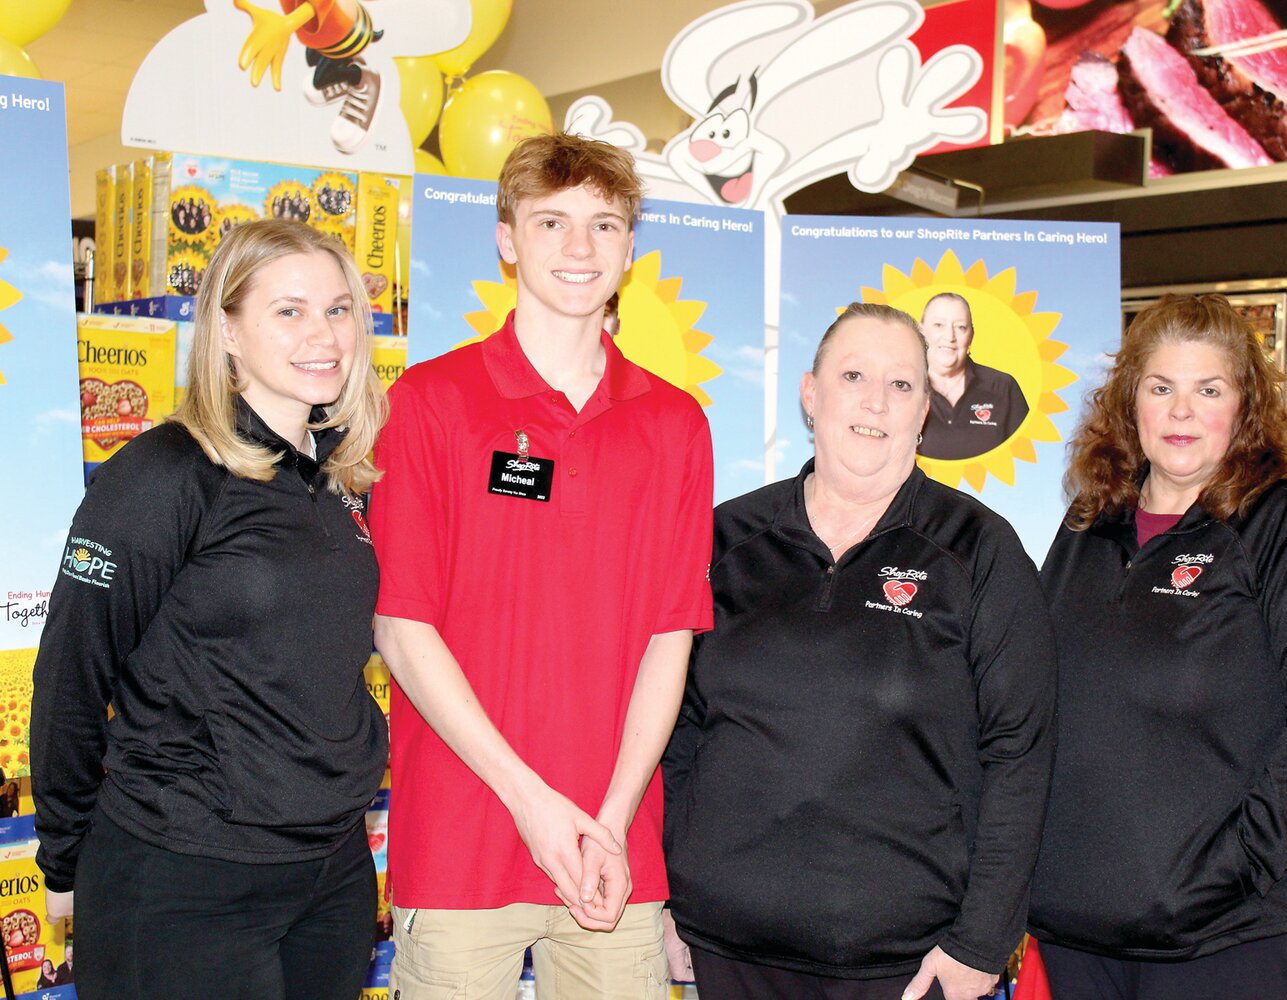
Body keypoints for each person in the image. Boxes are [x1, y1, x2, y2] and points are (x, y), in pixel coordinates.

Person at [370, 132, 713, 999]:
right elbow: (403, 629)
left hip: (613, 855)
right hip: (460, 843)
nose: (579, 248)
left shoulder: (676, 425)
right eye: (551, 221)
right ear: (506, 237)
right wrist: (531, 802)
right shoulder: (429, 403)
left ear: (631, 248)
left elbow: (670, 643)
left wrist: (609, 818)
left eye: (604, 225)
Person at [31, 219, 389, 999]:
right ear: (226, 330)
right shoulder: (165, 473)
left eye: (338, 309)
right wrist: (61, 853)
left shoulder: (343, 481)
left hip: (329, 872)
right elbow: (71, 668)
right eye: (288, 311)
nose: (322, 334)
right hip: (182, 872)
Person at [662, 303, 1057, 1000]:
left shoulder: (979, 551)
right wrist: (669, 899)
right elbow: (676, 730)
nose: (875, 401)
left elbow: (1021, 754)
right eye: (853, 376)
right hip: (728, 950)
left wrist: (983, 940)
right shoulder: (725, 539)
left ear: (927, 409)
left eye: (902, 385)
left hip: (905, 965)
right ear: (811, 394)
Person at [1029, 294, 1287, 999]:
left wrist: (1229, 872)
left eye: (1207, 389)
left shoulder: (1284, 527)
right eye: (1161, 388)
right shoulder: (1089, 523)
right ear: (1130, 404)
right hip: (1078, 929)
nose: (1181, 412)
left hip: (1228, 938)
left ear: (1245, 407)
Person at [917, 292, 1028, 460]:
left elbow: (1024, 457)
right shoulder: (899, 387)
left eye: (960, 327)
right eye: (939, 325)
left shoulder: (1003, 387)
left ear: (971, 335)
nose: (950, 337)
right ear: (921, 331)